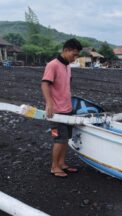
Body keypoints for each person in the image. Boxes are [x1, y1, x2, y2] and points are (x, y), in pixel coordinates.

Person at [41, 38, 82, 178]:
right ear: (66, 50)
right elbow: (45, 84)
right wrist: (49, 103)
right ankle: (54, 166)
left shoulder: (67, 66)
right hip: (56, 111)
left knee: (66, 139)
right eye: (74, 54)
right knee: (59, 139)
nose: (75, 58)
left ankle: (62, 163)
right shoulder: (52, 65)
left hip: (67, 108)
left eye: (77, 55)